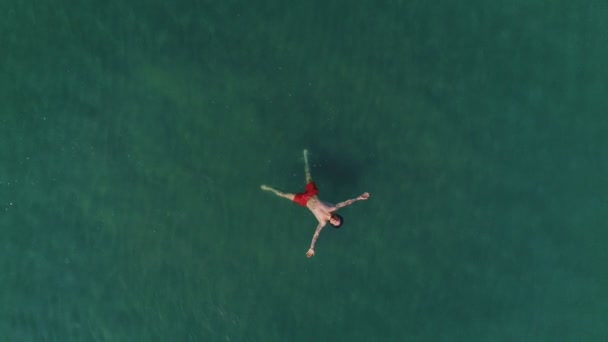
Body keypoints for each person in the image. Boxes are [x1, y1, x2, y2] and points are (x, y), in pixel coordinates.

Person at [260, 149, 370, 258]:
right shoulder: (333, 208)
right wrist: (359, 198)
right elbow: (347, 202)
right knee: (308, 174)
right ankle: (305, 157)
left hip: (303, 200)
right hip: (311, 192)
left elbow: (316, 235)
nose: (335, 220)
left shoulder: (322, 222)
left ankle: (270, 188)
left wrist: (312, 247)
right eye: (337, 219)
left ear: (332, 224)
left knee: (283, 194)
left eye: (335, 223)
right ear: (337, 216)